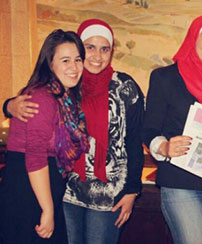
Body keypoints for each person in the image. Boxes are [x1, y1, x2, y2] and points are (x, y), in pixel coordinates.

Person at [2, 19, 144, 244]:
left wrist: (132, 191)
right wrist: (9, 105)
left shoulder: (120, 86)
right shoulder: (65, 89)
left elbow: (135, 140)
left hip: (107, 194)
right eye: (89, 48)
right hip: (65, 191)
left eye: (104, 48)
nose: (97, 56)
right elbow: (36, 132)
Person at [142, 15, 202, 244]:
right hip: (179, 182)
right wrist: (163, 146)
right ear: (193, 38)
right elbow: (149, 128)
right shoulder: (164, 78)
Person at [0, 29, 88, 244]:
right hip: (27, 191)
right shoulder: (42, 97)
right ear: (50, 64)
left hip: (43, 188)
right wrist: (47, 209)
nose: (74, 67)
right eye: (65, 60)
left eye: (78, 59)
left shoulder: (65, 97)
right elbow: (35, 157)